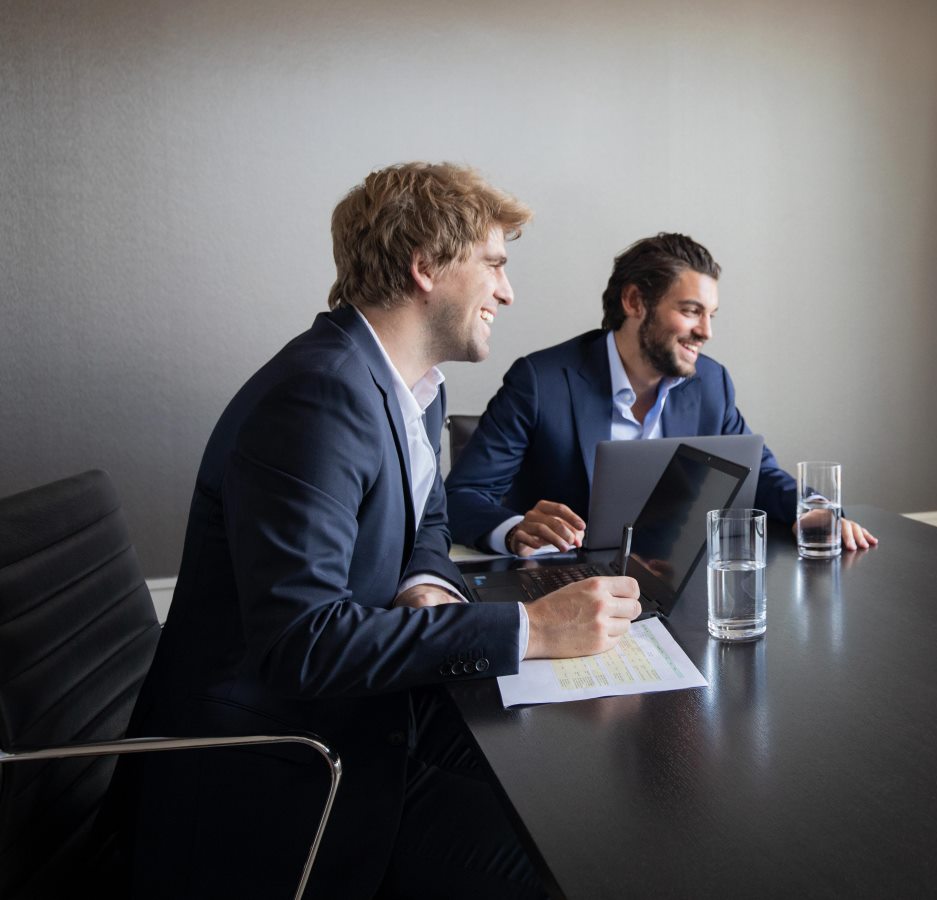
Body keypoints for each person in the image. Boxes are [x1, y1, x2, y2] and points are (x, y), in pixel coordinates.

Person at [118, 163, 640, 899]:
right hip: (277, 773)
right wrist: (529, 628)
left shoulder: (413, 383)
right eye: (493, 264)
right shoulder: (319, 395)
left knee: (578, 804)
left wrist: (425, 584)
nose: (507, 291)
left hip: (364, 721)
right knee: (563, 865)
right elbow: (300, 645)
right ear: (425, 266)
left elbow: (427, 521)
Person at [446, 232, 878, 556]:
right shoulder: (540, 381)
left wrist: (810, 509)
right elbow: (462, 497)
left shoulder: (712, 384)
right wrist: (517, 528)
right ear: (635, 302)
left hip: (678, 581)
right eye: (691, 311)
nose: (706, 332)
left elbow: (759, 474)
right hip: (568, 585)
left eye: (710, 315)